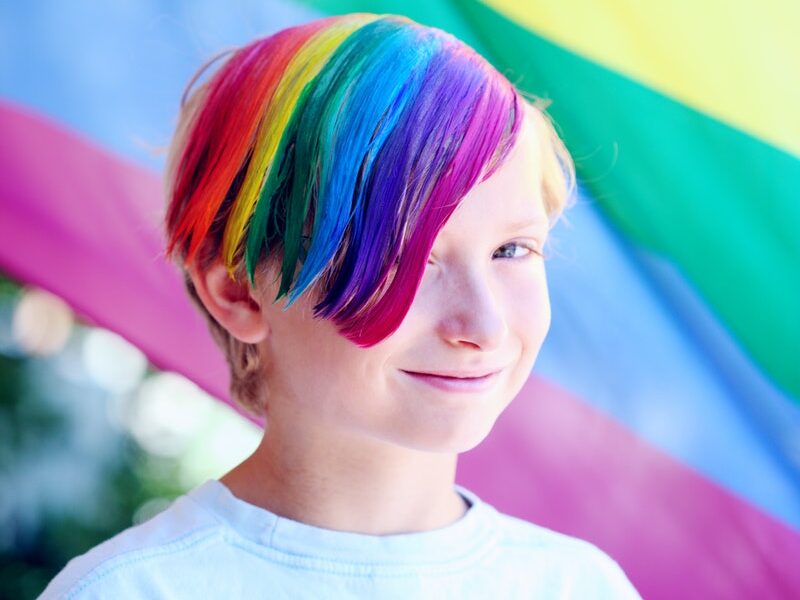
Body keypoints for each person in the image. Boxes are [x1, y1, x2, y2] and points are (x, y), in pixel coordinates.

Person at [41, 13, 642, 599]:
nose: (483, 326)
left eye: (512, 249)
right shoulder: (130, 590)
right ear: (239, 292)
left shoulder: (581, 586)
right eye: (404, 256)